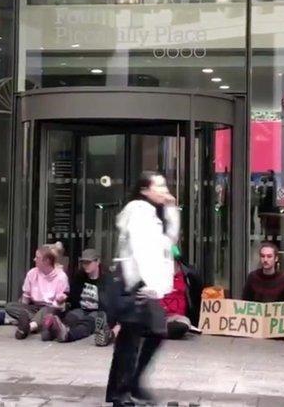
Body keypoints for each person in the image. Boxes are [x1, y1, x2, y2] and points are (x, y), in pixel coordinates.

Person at [106, 171, 179, 407]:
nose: (163, 189)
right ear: (144, 190)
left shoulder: (153, 212)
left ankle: (126, 387)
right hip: (136, 282)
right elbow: (141, 251)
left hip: (144, 284)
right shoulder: (139, 211)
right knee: (131, 338)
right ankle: (123, 391)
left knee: (149, 332)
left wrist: (171, 210)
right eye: (158, 185)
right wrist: (149, 285)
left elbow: (169, 243)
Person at [40, 248, 113, 346]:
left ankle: (68, 335)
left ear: (97, 262)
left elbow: (108, 302)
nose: (85, 266)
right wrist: (64, 299)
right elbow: (73, 296)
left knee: (87, 324)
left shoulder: (107, 279)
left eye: (88, 262)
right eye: (83, 263)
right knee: (70, 318)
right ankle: (52, 331)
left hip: (97, 311)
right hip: (80, 309)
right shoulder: (79, 277)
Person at [6, 244, 70, 340]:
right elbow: (26, 296)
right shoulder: (32, 273)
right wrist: (23, 309)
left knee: (48, 310)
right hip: (35, 307)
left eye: (37, 257)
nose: (34, 259)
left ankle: (29, 327)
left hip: (52, 308)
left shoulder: (61, 276)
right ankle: (41, 324)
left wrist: (60, 299)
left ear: (47, 261)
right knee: (10, 306)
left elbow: (58, 303)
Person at [160, 246, 203, 340]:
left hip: (179, 319)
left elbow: (196, 300)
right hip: (159, 317)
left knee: (183, 323)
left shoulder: (189, 276)